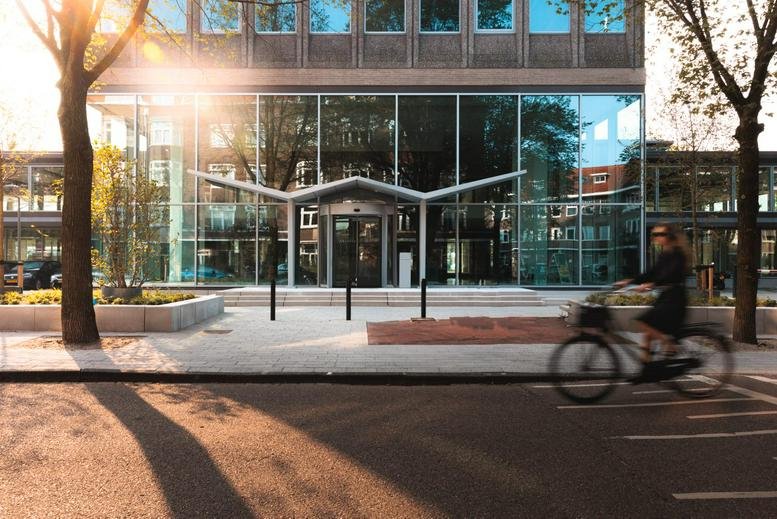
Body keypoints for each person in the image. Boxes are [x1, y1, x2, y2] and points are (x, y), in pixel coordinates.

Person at [615, 223, 691, 365]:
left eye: (660, 234)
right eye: (654, 235)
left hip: (675, 299)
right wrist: (630, 281)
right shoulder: (665, 253)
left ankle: (668, 343)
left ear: (670, 236)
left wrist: (652, 284)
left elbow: (671, 274)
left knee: (642, 322)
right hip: (665, 297)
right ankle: (646, 368)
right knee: (648, 334)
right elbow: (652, 273)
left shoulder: (678, 253)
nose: (656, 237)